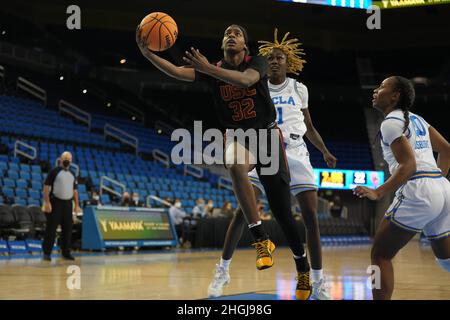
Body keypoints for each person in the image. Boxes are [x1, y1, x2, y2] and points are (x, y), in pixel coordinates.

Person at [137, 24, 312, 299]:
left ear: (244, 45)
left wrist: (208, 69)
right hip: (239, 136)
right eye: (227, 33)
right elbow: (176, 72)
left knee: (283, 214)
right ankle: (260, 239)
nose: (231, 35)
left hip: (266, 137)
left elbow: (245, 81)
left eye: (238, 33)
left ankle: (302, 266)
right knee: (232, 163)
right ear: (222, 44)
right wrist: (147, 53)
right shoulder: (212, 67)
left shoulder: (258, 61)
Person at [207, 29, 337, 299]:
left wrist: (324, 150)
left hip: (296, 152)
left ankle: (318, 280)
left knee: (309, 216)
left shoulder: (299, 88)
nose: (275, 61)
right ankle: (223, 270)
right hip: (262, 147)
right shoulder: (255, 80)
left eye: (280, 58)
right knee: (242, 211)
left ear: (289, 63)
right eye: (271, 58)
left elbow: (309, 127)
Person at [354, 76, 450, 300]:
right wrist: (435, 185)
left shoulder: (390, 122)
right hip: (442, 187)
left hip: (421, 188)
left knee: (380, 255)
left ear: (395, 96)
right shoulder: (418, 119)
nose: (376, 90)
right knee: (447, 263)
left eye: (382, 87)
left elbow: (409, 164)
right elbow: (447, 150)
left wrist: (378, 191)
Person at [42, 151, 81, 261]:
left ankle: (66, 252)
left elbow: (75, 191)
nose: (67, 159)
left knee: (67, 230)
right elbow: (46, 187)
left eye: (69, 158)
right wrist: (47, 202)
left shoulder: (73, 174)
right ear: (60, 159)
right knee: (51, 229)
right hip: (55, 203)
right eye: (65, 157)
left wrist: (77, 205)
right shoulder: (54, 171)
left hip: (68, 204)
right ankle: (47, 253)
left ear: (71, 160)